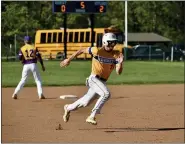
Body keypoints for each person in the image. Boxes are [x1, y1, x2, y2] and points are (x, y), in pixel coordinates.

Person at [60, 33, 124, 125]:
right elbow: (81, 51)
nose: (113, 45)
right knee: (106, 94)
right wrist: (68, 59)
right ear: (105, 42)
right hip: (94, 79)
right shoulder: (96, 50)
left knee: (85, 103)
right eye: (110, 43)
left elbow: (118, 72)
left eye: (114, 43)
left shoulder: (117, 54)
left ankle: (68, 107)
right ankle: (92, 116)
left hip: (101, 82)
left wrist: (120, 63)